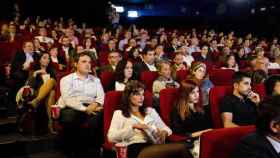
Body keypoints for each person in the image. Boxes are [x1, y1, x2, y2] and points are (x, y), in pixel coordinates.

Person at [108, 80, 192, 158]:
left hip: (153, 144)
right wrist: (133, 127)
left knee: (183, 149)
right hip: (135, 148)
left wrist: (164, 132)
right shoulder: (119, 113)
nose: (141, 97)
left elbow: (167, 129)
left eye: (142, 94)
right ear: (128, 96)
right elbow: (111, 137)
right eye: (137, 94)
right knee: (183, 148)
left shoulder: (150, 111)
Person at [57, 52, 104, 158]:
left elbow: (101, 96)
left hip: (92, 106)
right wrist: (85, 109)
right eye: (84, 62)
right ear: (75, 64)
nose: (88, 64)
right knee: (71, 116)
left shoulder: (96, 80)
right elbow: (68, 99)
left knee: (99, 117)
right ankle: (73, 151)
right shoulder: (66, 79)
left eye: (89, 62)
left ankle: (92, 152)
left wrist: (96, 103)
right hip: (72, 107)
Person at [170, 79, 212, 157]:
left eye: (197, 91)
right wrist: (203, 133)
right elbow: (179, 133)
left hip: (205, 140)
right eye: (192, 93)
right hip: (190, 144)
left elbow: (209, 126)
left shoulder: (201, 109)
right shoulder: (177, 111)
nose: (197, 95)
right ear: (184, 94)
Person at [17, 52, 56, 133]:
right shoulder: (34, 71)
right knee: (51, 93)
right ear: (39, 60)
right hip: (37, 93)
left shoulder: (51, 71)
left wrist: (46, 76)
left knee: (51, 86)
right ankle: (51, 124)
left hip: (47, 93)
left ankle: (36, 102)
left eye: (48, 58)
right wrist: (35, 74)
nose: (47, 60)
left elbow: (52, 85)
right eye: (44, 58)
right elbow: (30, 86)